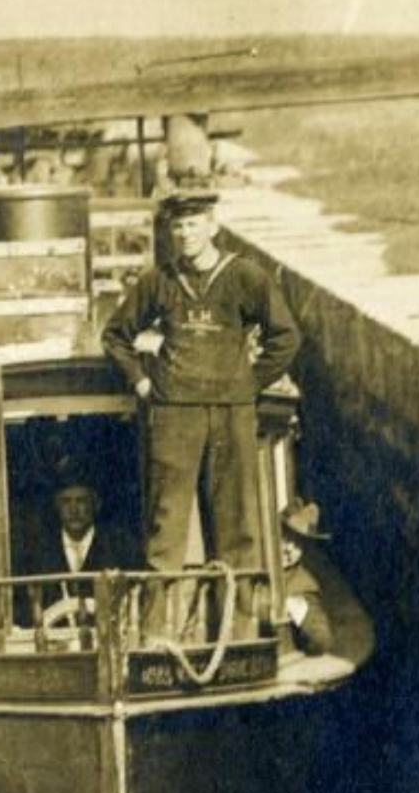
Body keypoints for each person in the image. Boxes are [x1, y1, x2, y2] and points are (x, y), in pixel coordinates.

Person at [100, 189, 300, 632]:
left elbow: (286, 337)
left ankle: (238, 631)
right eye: (177, 226)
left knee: (237, 528)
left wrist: (248, 381)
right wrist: (142, 380)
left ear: (213, 226)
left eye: (193, 224)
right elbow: (114, 335)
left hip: (231, 414)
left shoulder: (244, 276)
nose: (185, 234)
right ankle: (155, 634)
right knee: (165, 528)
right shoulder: (159, 281)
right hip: (175, 416)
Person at [13, 475, 140, 630]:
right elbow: (24, 611)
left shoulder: (121, 548)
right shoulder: (37, 553)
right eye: (66, 501)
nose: (73, 510)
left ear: (96, 504)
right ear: (57, 505)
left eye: (81, 501)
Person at [277, 499, 334, 657]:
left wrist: (297, 609)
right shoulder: (256, 561)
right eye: (286, 537)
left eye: (298, 544)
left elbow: (322, 639)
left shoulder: (303, 585)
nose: (289, 549)